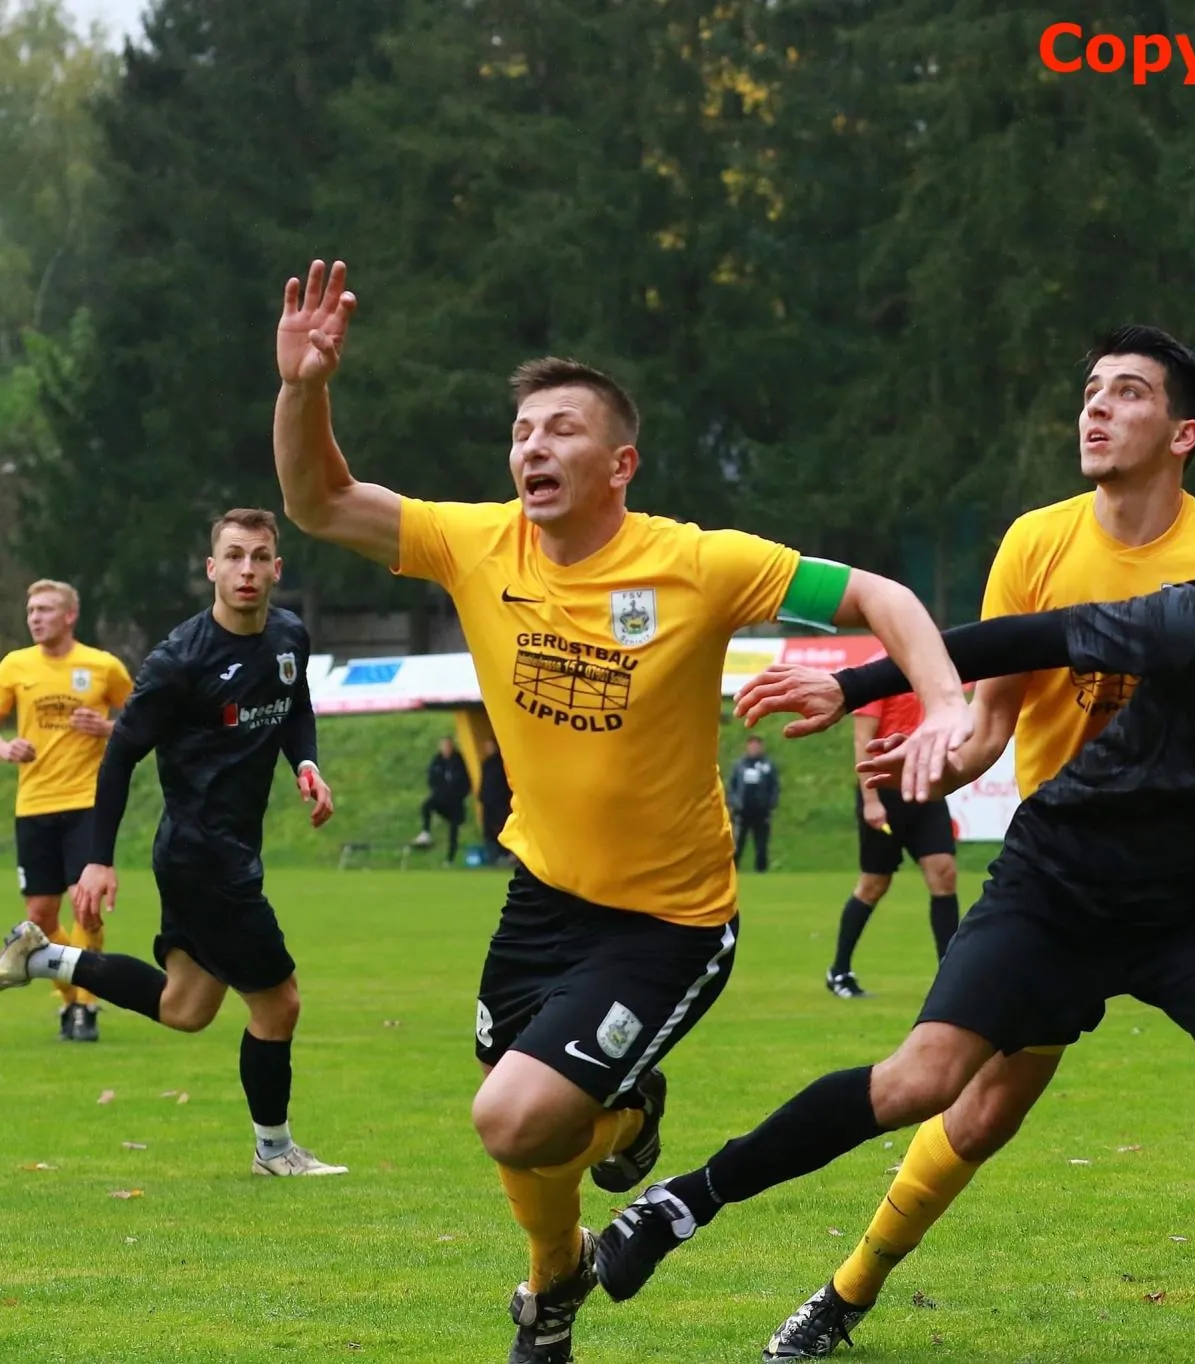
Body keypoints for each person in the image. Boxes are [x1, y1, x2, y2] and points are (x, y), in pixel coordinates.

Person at [602, 454, 1195, 1364]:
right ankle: (686, 1201)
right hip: (1067, 879)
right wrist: (855, 686)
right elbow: (1026, 639)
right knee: (926, 1085)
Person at [267, 258, 969, 1364]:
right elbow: (317, 502)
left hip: (667, 922)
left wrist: (944, 702)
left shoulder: (697, 564)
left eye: (560, 430)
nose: (531, 448)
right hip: (542, 896)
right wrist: (303, 388)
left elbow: (880, 594)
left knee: (510, 1115)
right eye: (520, 432)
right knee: (527, 1128)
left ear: (620, 464)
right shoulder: (475, 541)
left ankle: (629, 1117)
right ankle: (555, 1283)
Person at [0, 510, 344, 1175]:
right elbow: (120, 755)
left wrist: (306, 763)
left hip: (226, 851)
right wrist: (98, 859)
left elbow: (295, 703)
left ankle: (41, 956)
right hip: (202, 856)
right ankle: (275, 1151)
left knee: (184, 1007)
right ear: (212, 568)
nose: (247, 570)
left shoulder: (289, 636)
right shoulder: (179, 660)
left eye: (260, 557)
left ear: (277, 568)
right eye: (234, 556)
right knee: (280, 1003)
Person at [0, 580, 132, 1041]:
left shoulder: (102, 666)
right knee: (40, 916)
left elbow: (143, 720)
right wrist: (6, 748)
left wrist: (108, 728)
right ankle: (72, 997)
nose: (35, 618)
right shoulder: (15, 666)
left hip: (86, 803)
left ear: (70, 616)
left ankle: (87, 1007)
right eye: (31, 610)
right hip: (34, 804)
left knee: (86, 906)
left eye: (45, 609)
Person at [828, 688, 958, 997]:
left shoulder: (926, 672)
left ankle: (951, 975)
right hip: (884, 788)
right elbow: (862, 740)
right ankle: (839, 971)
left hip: (923, 783)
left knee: (944, 872)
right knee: (874, 883)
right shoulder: (879, 676)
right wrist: (871, 801)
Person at [415, 735, 471, 865]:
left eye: (448, 746)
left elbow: (465, 781)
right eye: (444, 746)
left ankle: (450, 859)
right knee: (426, 805)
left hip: (455, 801)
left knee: (454, 829)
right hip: (441, 798)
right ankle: (425, 832)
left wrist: (459, 794)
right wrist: (437, 791)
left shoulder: (458, 761)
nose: (446, 749)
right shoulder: (437, 761)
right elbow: (432, 778)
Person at [728, 735, 780, 872]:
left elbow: (774, 786)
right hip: (742, 811)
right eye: (752, 746)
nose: (754, 749)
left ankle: (761, 872)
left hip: (761, 812)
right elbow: (732, 786)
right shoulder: (739, 765)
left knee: (761, 845)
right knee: (737, 844)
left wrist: (771, 804)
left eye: (757, 746)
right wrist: (734, 803)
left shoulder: (767, 766)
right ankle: (733, 871)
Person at [479, 737, 511, 865]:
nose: (487, 749)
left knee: (501, 827)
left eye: (490, 746)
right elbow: (484, 781)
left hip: (500, 801)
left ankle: (505, 854)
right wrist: (481, 795)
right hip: (488, 801)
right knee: (488, 829)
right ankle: (493, 856)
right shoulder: (486, 763)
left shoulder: (501, 763)